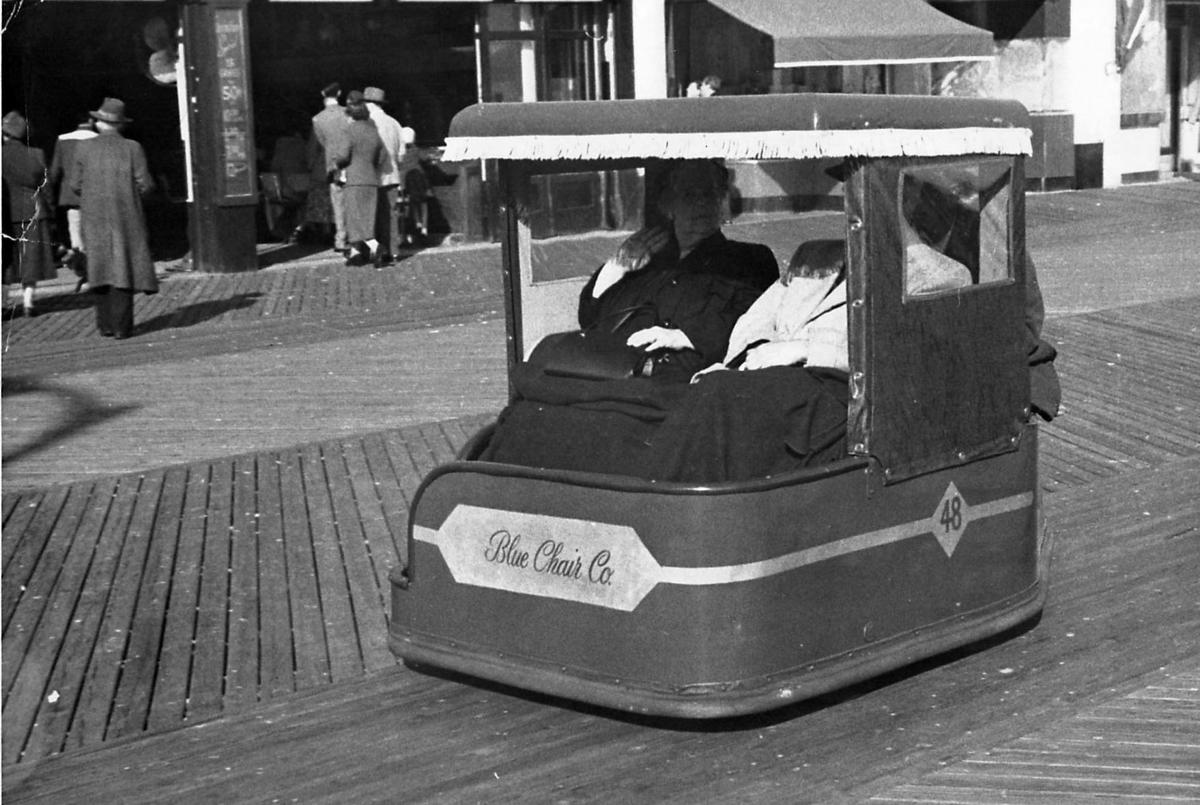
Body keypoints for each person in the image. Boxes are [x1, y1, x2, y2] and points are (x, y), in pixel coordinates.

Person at [575, 158, 779, 382]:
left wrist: (683, 336)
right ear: (668, 205)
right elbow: (589, 317)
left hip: (684, 385)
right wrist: (616, 267)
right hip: (611, 375)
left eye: (709, 194)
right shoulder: (645, 260)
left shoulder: (750, 258)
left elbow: (759, 319)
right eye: (690, 195)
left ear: (721, 201)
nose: (702, 203)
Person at [70, 98, 157, 338]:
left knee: (98, 266)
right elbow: (146, 184)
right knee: (124, 266)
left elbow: (74, 185)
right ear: (120, 125)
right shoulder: (133, 148)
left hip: (94, 216)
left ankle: (105, 325)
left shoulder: (83, 148)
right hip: (126, 215)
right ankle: (122, 327)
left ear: (99, 123)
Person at [2, 111, 57, 318]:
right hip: (34, 211)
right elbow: (46, 187)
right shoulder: (36, 154)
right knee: (31, 259)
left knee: (6, 259)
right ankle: (28, 302)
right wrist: (50, 211)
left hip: (6, 213)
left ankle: (3, 302)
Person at [330, 91, 388, 267]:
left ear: (351, 115)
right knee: (368, 217)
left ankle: (375, 246)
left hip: (354, 180)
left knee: (354, 217)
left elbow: (343, 156)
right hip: (371, 179)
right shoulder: (373, 131)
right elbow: (382, 156)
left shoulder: (349, 131)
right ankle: (356, 253)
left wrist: (335, 161)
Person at [47, 112, 98, 285]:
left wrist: (50, 192)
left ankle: (83, 269)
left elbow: (55, 171)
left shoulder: (62, 140)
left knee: (75, 234)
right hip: (95, 195)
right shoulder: (98, 139)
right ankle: (94, 270)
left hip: (71, 196)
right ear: (91, 121)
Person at [362, 86, 405, 267]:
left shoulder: (365, 123)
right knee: (390, 216)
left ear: (368, 104)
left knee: (371, 216)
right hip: (392, 176)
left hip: (371, 178)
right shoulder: (394, 123)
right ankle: (393, 251)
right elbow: (401, 154)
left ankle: (375, 251)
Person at [307, 82, 348, 253]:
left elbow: (314, 147)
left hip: (332, 167)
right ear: (339, 93)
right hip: (351, 164)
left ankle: (340, 238)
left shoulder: (317, 119)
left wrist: (310, 165)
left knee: (337, 203)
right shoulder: (348, 114)